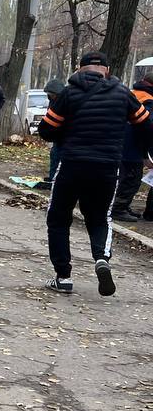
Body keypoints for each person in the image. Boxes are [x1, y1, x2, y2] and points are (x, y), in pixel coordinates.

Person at [37, 50, 152, 296]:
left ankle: (63, 276)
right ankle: (101, 258)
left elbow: (47, 130)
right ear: (107, 70)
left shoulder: (68, 93)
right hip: (107, 167)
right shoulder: (124, 93)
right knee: (100, 217)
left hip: (72, 165)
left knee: (58, 218)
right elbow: (145, 124)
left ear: (80, 69)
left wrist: (65, 134)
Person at [111, 71, 153, 221]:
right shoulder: (149, 100)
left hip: (120, 142)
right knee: (132, 179)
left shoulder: (133, 93)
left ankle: (123, 206)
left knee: (124, 177)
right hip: (133, 146)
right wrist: (146, 153)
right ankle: (118, 208)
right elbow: (147, 127)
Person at [40, 78, 67, 190]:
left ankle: (55, 179)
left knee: (57, 155)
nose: (50, 96)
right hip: (57, 136)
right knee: (54, 155)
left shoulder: (62, 102)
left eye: (51, 94)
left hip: (62, 136)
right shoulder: (54, 101)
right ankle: (52, 177)